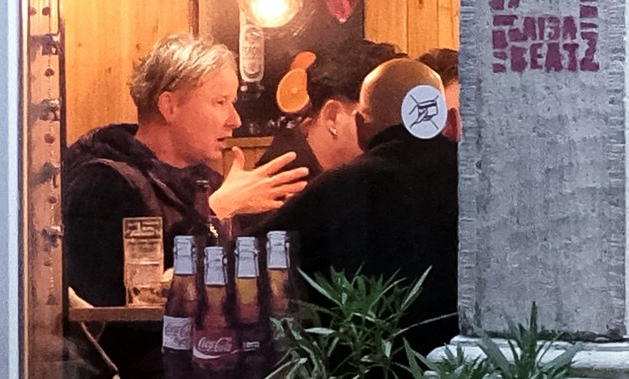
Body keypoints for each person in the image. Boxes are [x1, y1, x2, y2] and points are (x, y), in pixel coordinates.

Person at [63, 33, 307, 317]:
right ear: (169, 106)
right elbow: (116, 313)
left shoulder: (206, 184)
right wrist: (216, 211)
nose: (235, 120)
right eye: (220, 102)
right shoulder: (102, 184)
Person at [288, 43, 459, 324]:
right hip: (478, 349)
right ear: (450, 122)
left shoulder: (333, 189)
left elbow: (252, 259)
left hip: (361, 348)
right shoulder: (480, 183)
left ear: (361, 127)